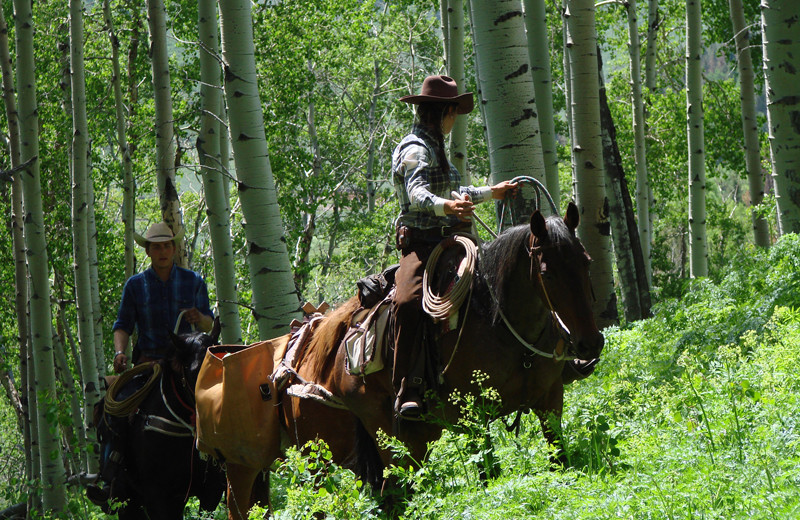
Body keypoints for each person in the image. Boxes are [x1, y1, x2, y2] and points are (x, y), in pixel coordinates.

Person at [391, 75, 518, 419]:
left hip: (451, 240)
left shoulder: (436, 147)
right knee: (406, 302)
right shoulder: (415, 148)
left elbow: (459, 192)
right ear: (445, 111)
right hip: (421, 245)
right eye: (454, 113)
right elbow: (417, 194)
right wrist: (446, 207)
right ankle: (409, 387)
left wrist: (494, 191)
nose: (455, 121)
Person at [86, 221, 214, 507]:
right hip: (150, 365)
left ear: (174, 247)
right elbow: (123, 325)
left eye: (167, 245)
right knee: (114, 407)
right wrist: (120, 353)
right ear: (149, 251)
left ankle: (223, 470)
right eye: (156, 246)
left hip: (186, 365)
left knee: (220, 404)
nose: (163, 250)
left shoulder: (194, 281)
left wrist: (200, 319)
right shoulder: (135, 285)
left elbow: (209, 322)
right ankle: (111, 478)